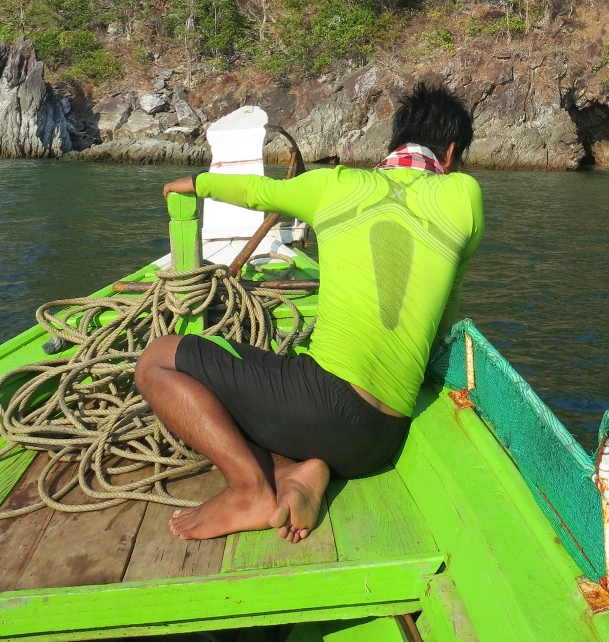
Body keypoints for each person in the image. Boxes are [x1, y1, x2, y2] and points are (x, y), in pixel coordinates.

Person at [137, 82, 483, 542]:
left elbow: (259, 193)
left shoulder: (333, 184)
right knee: (282, 398)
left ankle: (249, 491)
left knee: (159, 357)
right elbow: (447, 305)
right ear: (453, 151)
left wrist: (198, 183)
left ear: (394, 141)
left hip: (321, 408)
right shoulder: (465, 198)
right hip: (380, 439)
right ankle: (304, 473)